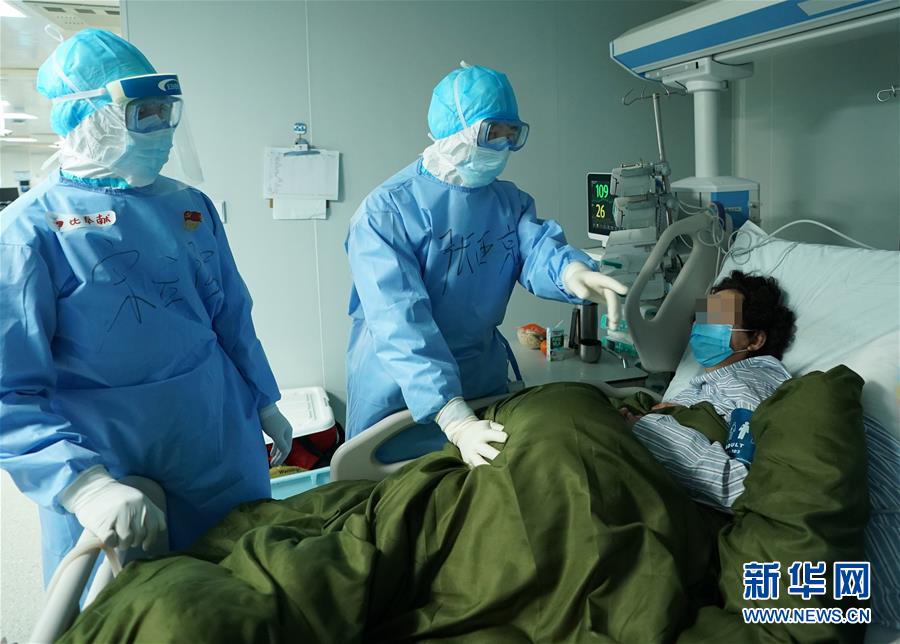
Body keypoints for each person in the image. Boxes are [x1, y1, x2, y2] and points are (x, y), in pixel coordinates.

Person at [0, 29, 293, 583]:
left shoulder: (188, 206)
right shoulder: (28, 232)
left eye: (165, 113)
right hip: (106, 456)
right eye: (143, 114)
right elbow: (8, 391)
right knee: (121, 608)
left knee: (244, 583)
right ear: (88, 118)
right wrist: (83, 486)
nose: (161, 130)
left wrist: (262, 401)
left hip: (216, 435)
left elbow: (231, 317)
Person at [345, 62, 627, 467]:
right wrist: (453, 417)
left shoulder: (507, 202)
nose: (503, 146)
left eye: (512, 135)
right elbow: (398, 322)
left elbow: (536, 249)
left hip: (481, 381)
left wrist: (572, 272)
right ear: (455, 130)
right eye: (493, 133)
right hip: (402, 392)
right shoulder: (385, 213)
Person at [620, 270, 797, 510]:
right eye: (704, 316)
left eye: (719, 318)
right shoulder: (707, 384)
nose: (703, 326)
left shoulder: (749, 387)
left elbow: (738, 485)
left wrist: (646, 428)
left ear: (755, 340)